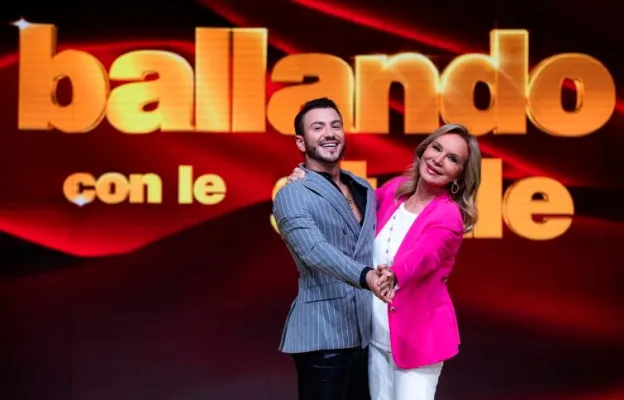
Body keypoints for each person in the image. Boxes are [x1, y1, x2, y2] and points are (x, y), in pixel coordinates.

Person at [286, 123, 482, 400]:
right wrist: (310, 181)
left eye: (452, 158)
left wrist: (395, 273)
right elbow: (349, 205)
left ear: (460, 174)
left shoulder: (448, 215)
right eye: (436, 148)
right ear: (423, 150)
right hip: (376, 337)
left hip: (417, 340)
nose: (438, 160)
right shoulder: (395, 191)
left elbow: (425, 254)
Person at [273, 97, 395, 400]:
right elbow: (314, 250)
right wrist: (366, 275)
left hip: (367, 334)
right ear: (301, 142)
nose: (329, 133)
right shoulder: (292, 194)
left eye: (335, 125)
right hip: (322, 334)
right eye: (318, 127)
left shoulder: (363, 188)